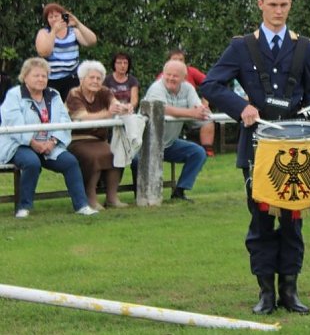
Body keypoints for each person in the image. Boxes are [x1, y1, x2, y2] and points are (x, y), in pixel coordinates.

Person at [200, 0, 310, 316]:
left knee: (293, 221)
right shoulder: (242, 47)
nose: (278, 11)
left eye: (284, 5)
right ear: (260, 4)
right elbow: (211, 85)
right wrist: (241, 107)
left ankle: (290, 290)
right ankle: (265, 293)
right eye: (272, 5)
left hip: (296, 147)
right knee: (260, 222)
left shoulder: (305, 47)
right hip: (257, 148)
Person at [0, 57, 99, 218]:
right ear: (25, 77)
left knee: (70, 162)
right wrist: (33, 143)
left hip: (49, 144)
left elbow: (64, 120)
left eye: (44, 76)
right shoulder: (14, 95)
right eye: (36, 75)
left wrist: (52, 142)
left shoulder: (53, 94)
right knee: (32, 163)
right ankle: (24, 208)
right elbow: (13, 124)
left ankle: (81, 205)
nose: (41, 79)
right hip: (19, 144)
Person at [138, 59, 209, 203]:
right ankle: (143, 195)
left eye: (175, 76)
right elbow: (163, 109)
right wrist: (191, 113)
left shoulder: (188, 88)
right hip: (143, 145)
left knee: (198, 153)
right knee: (134, 162)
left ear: (184, 77)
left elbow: (197, 107)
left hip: (169, 144)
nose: (170, 78)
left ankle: (179, 191)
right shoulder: (156, 88)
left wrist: (201, 110)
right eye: (168, 74)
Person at [65, 60, 133, 210]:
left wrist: (123, 108)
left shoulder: (104, 92)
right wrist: (108, 113)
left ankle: (112, 197)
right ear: (82, 79)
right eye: (91, 78)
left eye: (98, 78)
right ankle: (90, 198)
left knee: (117, 153)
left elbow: (115, 103)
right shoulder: (74, 94)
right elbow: (83, 117)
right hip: (77, 140)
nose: (95, 81)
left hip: (98, 139)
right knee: (93, 157)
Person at [34, 2, 97, 100]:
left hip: (71, 79)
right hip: (51, 80)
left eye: (56, 16)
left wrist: (78, 24)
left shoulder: (73, 32)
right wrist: (54, 31)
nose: (54, 19)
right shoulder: (44, 33)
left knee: (72, 109)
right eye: (51, 17)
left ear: (62, 17)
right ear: (47, 20)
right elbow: (44, 52)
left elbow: (91, 41)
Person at [158, 48, 215, 157]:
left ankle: (207, 151)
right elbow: (163, 107)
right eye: (175, 60)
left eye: (181, 60)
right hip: (172, 112)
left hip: (192, 108)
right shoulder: (162, 79)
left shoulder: (191, 72)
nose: (178, 62)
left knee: (208, 117)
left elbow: (209, 84)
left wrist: (205, 103)